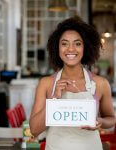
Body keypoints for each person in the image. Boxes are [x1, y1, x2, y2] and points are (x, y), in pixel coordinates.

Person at [29, 17, 116, 150]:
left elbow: (111, 120)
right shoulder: (46, 84)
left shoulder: (101, 84)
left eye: (77, 43)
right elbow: (34, 130)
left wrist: (100, 122)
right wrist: (54, 99)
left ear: (85, 47)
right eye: (64, 43)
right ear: (57, 47)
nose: (70, 49)